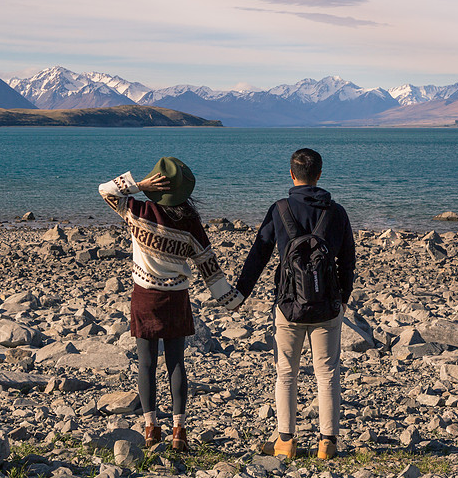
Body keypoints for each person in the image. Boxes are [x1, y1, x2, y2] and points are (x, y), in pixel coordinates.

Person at [99, 157, 243, 452]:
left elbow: (105, 190)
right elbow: (207, 264)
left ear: (155, 187)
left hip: (144, 296)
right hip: (177, 297)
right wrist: (230, 299)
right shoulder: (189, 221)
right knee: (177, 363)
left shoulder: (136, 210)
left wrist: (138, 186)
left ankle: (151, 427)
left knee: (147, 364)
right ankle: (179, 431)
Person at [233, 148, 355, 460]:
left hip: (288, 305)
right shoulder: (337, 212)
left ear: (292, 175)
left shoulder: (280, 209)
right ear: (320, 174)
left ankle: (285, 440)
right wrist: (342, 299)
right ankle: (327, 442)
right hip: (327, 306)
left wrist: (240, 293)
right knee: (327, 374)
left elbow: (258, 255)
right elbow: (348, 262)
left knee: (286, 372)